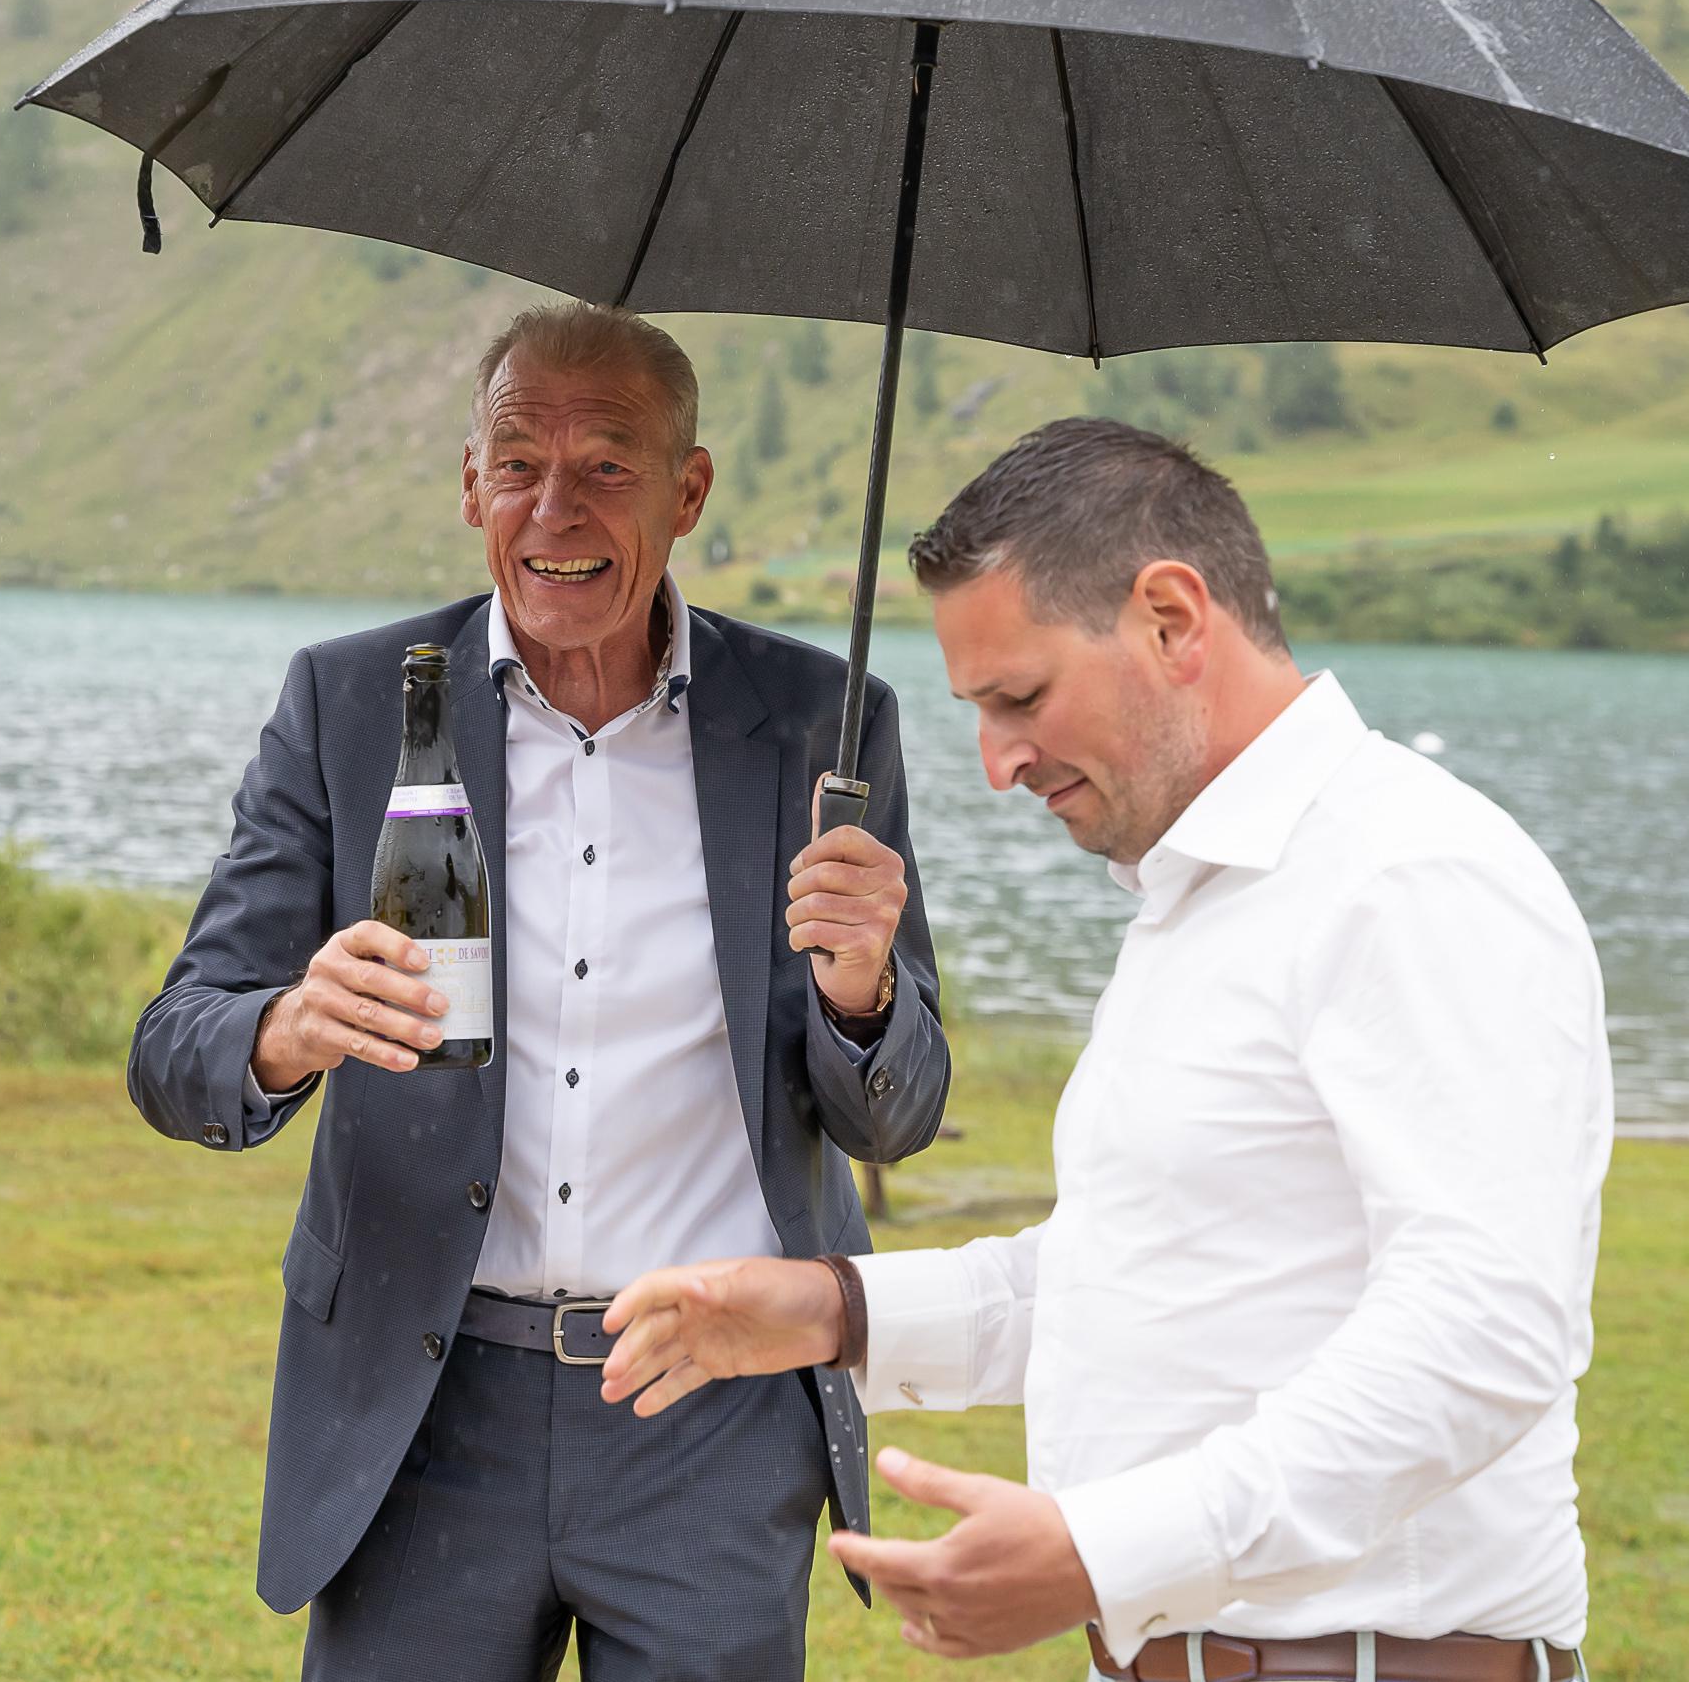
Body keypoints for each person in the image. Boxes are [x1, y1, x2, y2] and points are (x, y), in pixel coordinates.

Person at [599, 418, 1611, 1682]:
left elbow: (1483, 1329)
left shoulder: (1407, 876)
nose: (996, 764)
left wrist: (1101, 1552)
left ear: (1171, 620)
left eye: (1019, 699)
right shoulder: (1208, 893)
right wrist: (833, 1307)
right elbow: (1133, 1274)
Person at [130, 303, 952, 1680]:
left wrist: (862, 991)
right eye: (518, 464)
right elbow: (175, 1047)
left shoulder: (826, 719)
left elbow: (894, 1117)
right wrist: (288, 1027)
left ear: (688, 490)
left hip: (711, 1407)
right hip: (420, 1408)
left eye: (607, 466)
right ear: (471, 486)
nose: (553, 508)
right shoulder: (347, 701)